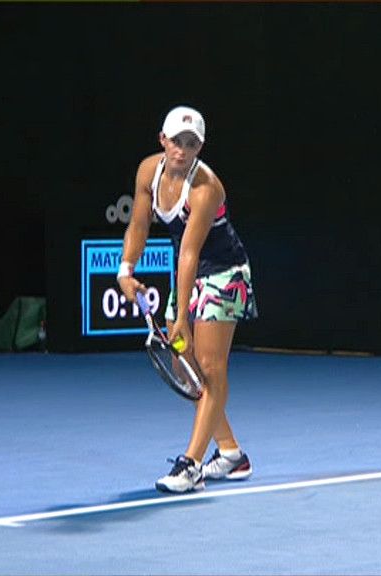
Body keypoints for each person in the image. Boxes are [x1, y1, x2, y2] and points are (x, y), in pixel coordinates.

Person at [117, 105, 258, 493]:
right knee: (186, 367)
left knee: (211, 367)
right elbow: (139, 223)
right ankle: (231, 453)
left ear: (200, 147)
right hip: (191, 273)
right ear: (162, 140)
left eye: (191, 143)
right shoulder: (148, 171)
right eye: (176, 141)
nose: (182, 149)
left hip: (225, 274)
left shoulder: (206, 187)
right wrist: (126, 270)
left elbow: (189, 254)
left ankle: (191, 465)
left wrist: (179, 314)